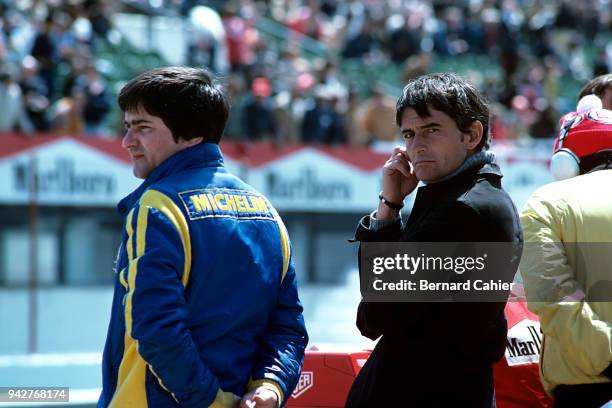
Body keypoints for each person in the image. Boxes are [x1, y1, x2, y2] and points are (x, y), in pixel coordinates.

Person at [98, 67, 308, 408]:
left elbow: (157, 330)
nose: (127, 141)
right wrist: (270, 387)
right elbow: (287, 328)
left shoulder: (156, 206)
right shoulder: (267, 210)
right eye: (127, 127)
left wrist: (211, 401)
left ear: (192, 134)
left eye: (143, 127)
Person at [345, 73, 522, 407]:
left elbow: (373, 317)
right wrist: (391, 206)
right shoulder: (468, 199)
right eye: (409, 134)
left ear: (472, 134)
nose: (416, 146)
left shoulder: (463, 209)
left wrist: (387, 215)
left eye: (431, 130)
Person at [519, 95, 612, 407]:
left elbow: (552, 292)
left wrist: (607, 357)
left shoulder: (546, 203)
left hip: (587, 386)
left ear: (567, 159)